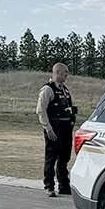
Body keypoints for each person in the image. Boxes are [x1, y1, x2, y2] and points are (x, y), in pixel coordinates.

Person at [37, 62, 79, 197]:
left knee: (64, 158)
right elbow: (41, 110)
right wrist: (48, 128)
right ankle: (49, 186)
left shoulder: (64, 89)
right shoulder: (48, 89)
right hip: (54, 129)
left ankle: (64, 185)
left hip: (66, 129)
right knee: (51, 158)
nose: (67, 75)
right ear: (57, 72)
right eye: (65, 72)